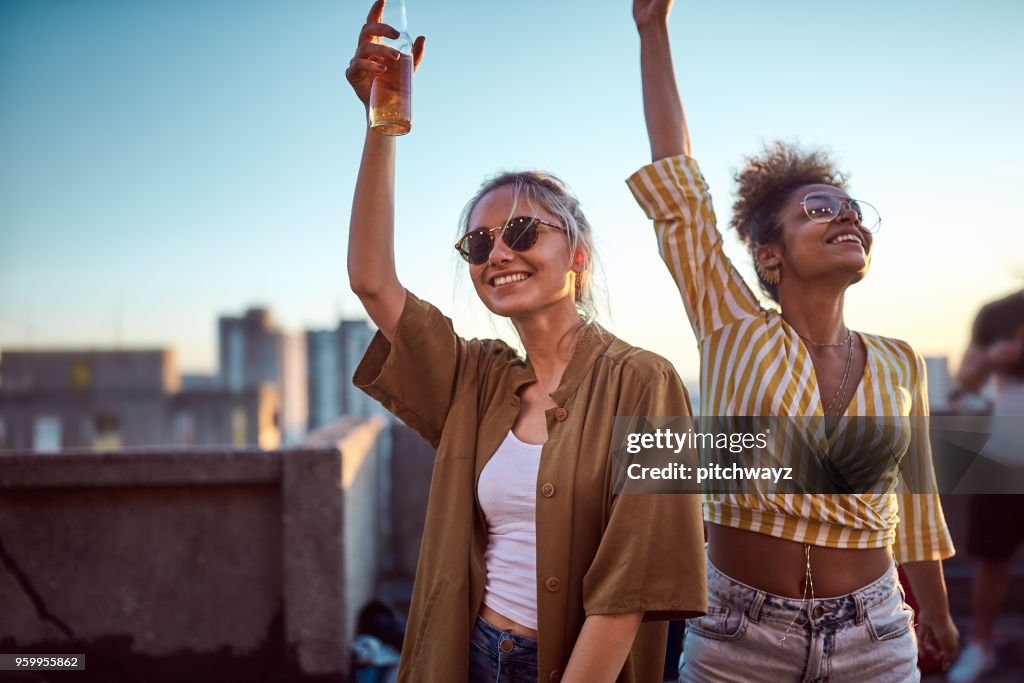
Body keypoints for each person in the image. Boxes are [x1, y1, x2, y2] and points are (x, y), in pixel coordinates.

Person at [344, 2, 706, 681]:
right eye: (479, 242)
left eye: (522, 231)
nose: (497, 254)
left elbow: (628, 589)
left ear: (578, 255)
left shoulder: (647, 381)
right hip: (469, 653)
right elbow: (372, 281)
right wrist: (380, 124)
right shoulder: (474, 379)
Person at [627, 1, 958, 680]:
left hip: (877, 632)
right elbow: (679, 191)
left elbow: (916, 505)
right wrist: (653, 30)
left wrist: (941, 615)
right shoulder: (730, 325)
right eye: (818, 207)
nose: (846, 216)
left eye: (852, 209)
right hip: (738, 637)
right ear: (769, 254)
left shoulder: (898, 360)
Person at [947, 289, 1024, 682]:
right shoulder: (1000, 312)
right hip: (1005, 457)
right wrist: (996, 358)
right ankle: (981, 647)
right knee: (989, 558)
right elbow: (966, 378)